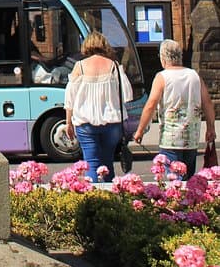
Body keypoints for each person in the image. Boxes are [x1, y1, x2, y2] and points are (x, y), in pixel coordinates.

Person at [133, 38, 216, 178]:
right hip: (191, 138)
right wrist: (211, 128)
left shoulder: (162, 77)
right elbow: (207, 103)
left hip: (170, 139)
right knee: (188, 180)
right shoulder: (194, 75)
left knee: (174, 182)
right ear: (180, 56)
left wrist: (140, 131)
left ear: (163, 58)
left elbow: (151, 104)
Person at [64, 31, 133, 183]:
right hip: (112, 123)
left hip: (85, 123)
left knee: (92, 163)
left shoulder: (79, 66)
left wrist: (68, 123)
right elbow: (127, 94)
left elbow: (70, 98)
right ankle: (110, 198)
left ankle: (95, 198)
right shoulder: (114, 66)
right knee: (108, 162)